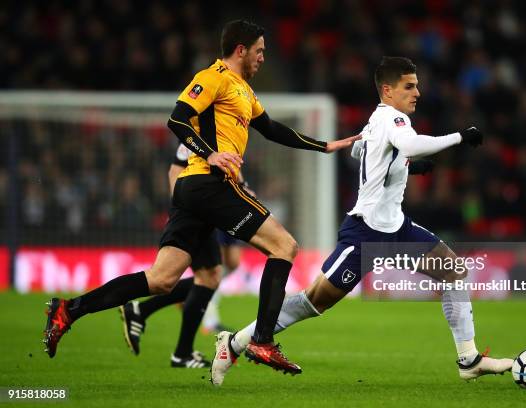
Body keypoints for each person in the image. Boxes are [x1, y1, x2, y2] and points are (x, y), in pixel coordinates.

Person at [42, 20, 359, 376]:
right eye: (259, 51)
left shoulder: (243, 90)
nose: (263, 58)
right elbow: (177, 119)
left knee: (162, 279)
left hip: (195, 191)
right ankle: (262, 340)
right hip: (210, 183)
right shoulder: (214, 77)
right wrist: (210, 154)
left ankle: (68, 310)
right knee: (284, 247)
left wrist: (325, 146)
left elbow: (270, 129)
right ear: (241, 50)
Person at [210, 56, 514, 386]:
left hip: (397, 229)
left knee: (454, 271)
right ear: (388, 90)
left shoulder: (376, 123)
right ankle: (235, 342)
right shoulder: (391, 118)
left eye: (417, 86)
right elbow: (408, 143)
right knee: (314, 302)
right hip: (365, 233)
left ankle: (468, 359)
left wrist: (405, 165)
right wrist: (459, 136)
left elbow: (362, 153)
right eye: (409, 86)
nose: (417, 93)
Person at [118, 143, 243, 368]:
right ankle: (178, 346)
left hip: (212, 209)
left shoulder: (224, 131)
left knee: (211, 275)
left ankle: (145, 313)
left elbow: (230, 165)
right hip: (196, 213)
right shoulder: (196, 136)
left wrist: (243, 186)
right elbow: (175, 170)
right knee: (195, 278)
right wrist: (182, 209)